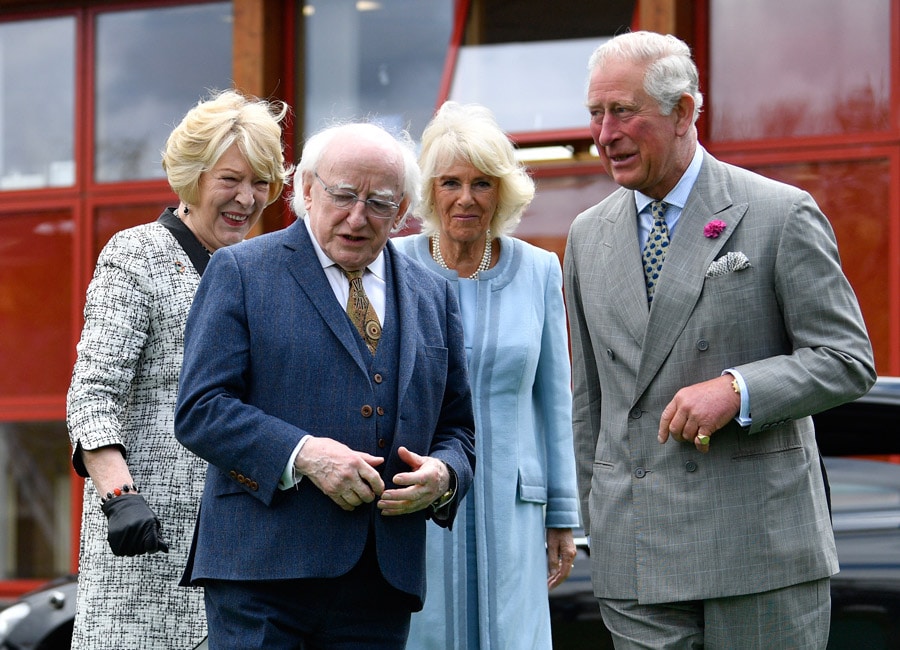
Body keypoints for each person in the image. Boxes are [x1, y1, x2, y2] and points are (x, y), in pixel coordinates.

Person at [564, 31, 876, 649]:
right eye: (595, 114)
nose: (603, 135)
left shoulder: (779, 213)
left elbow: (847, 360)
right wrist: (593, 523)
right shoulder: (585, 235)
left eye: (623, 111)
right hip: (636, 561)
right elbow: (589, 401)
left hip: (757, 555)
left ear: (683, 111)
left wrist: (739, 389)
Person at [173, 120, 476, 649]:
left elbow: (458, 428)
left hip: (382, 582)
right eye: (342, 195)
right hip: (261, 576)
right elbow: (202, 409)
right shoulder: (240, 271)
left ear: (402, 210)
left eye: (379, 202)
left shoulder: (435, 296)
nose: (357, 217)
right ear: (306, 191)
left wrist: (444, 475)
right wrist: (305, 454)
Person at [66, 89, 290, 649]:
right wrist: (120, 496)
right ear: (192, 176)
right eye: (230, 179)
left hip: (246, 551)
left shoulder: (265, 270)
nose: (246, 197)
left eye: (260, 182)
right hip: (146, 554)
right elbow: (92, 393)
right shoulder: (136, 255)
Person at [393, 101, 579, 649]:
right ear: (429, 191)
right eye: (450, 182)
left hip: (514, 508)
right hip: (418, 502)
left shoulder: (541, 269)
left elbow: (555, 401)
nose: (466, 198)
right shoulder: (393, 267)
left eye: (482, 183)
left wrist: (563, 515)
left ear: (503, 192)